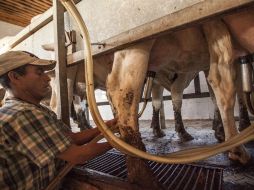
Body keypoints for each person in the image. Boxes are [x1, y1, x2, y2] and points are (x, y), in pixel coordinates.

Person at [0, 51, 116, 190]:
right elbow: (79, 155)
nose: (48, 78)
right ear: (15, 77)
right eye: (39, 72)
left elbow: (70, 138)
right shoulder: (23, 113)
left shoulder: (37, 109)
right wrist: (121, 141)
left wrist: (106, 127)